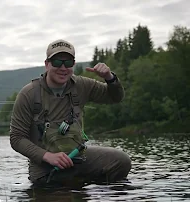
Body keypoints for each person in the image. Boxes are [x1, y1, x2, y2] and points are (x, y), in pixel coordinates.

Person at [9, 39, 132, 187]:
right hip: (46, 170)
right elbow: (16, 138)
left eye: (68, 63)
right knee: (54, 190)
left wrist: (110, 78)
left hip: (79, 159)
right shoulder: (28, 94)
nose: (63, 67)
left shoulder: (82, 85)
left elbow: (115, 97)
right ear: (47, 64)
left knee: (121, 161)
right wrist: (47, 156)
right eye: (57, 62)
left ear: (73, 65)